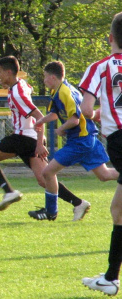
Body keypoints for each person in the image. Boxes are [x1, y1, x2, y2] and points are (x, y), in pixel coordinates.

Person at [0, 56, 90, 220]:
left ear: (9, 72)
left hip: (23, 137)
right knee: (44, 178)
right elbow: (28, 88)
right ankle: (78, 203)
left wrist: (39, 143)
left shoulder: (17, 94)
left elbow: (39, 116)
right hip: (29, 138)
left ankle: (9, 192)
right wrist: (7, 85)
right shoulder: (20, 85)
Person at [28, 61, 118, 221]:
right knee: (104, 175)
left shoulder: (65, 92)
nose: (44, 81)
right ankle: (79, 205)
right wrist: (41, 121)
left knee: (47, 172)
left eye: (45, 77)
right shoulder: (60, 90)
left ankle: (50, 212)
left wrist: (62, 129)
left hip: (80, 140)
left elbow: (75, 119)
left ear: (52, 77)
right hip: (87, 137)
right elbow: (57, 113)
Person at [79, 11, 122, 296]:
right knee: (118, 209)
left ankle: (109, 278)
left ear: (110, 38)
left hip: (120, 139)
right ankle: (109, 277)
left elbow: (84, 109)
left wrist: (98, 114)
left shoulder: (101, 66)